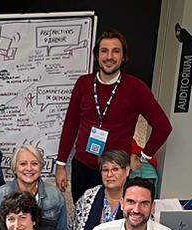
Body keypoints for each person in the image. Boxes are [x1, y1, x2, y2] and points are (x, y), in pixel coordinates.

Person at [55, 28, 172, 199]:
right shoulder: (83, 84)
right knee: (83, 217)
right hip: (83, 166)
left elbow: (163, 127)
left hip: (116, 171)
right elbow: (70, 125)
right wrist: (61, 165)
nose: (109, 57)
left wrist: (143, 156)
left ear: (123, 57)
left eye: (116, 51)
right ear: (97, 55)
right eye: (104, 51)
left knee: (113, 220)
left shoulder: (136, 88)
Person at [0, 142, 69, 230]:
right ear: (15, 168)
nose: (29, 168)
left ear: (41, 168)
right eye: (23, 164)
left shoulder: (55, 196)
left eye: (34, 163)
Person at [66, 149, 131, 230]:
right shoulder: (88, 196)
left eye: (115, 169)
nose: (110, 175)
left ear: (126, 171)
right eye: (105, 170)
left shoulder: (134, 199)